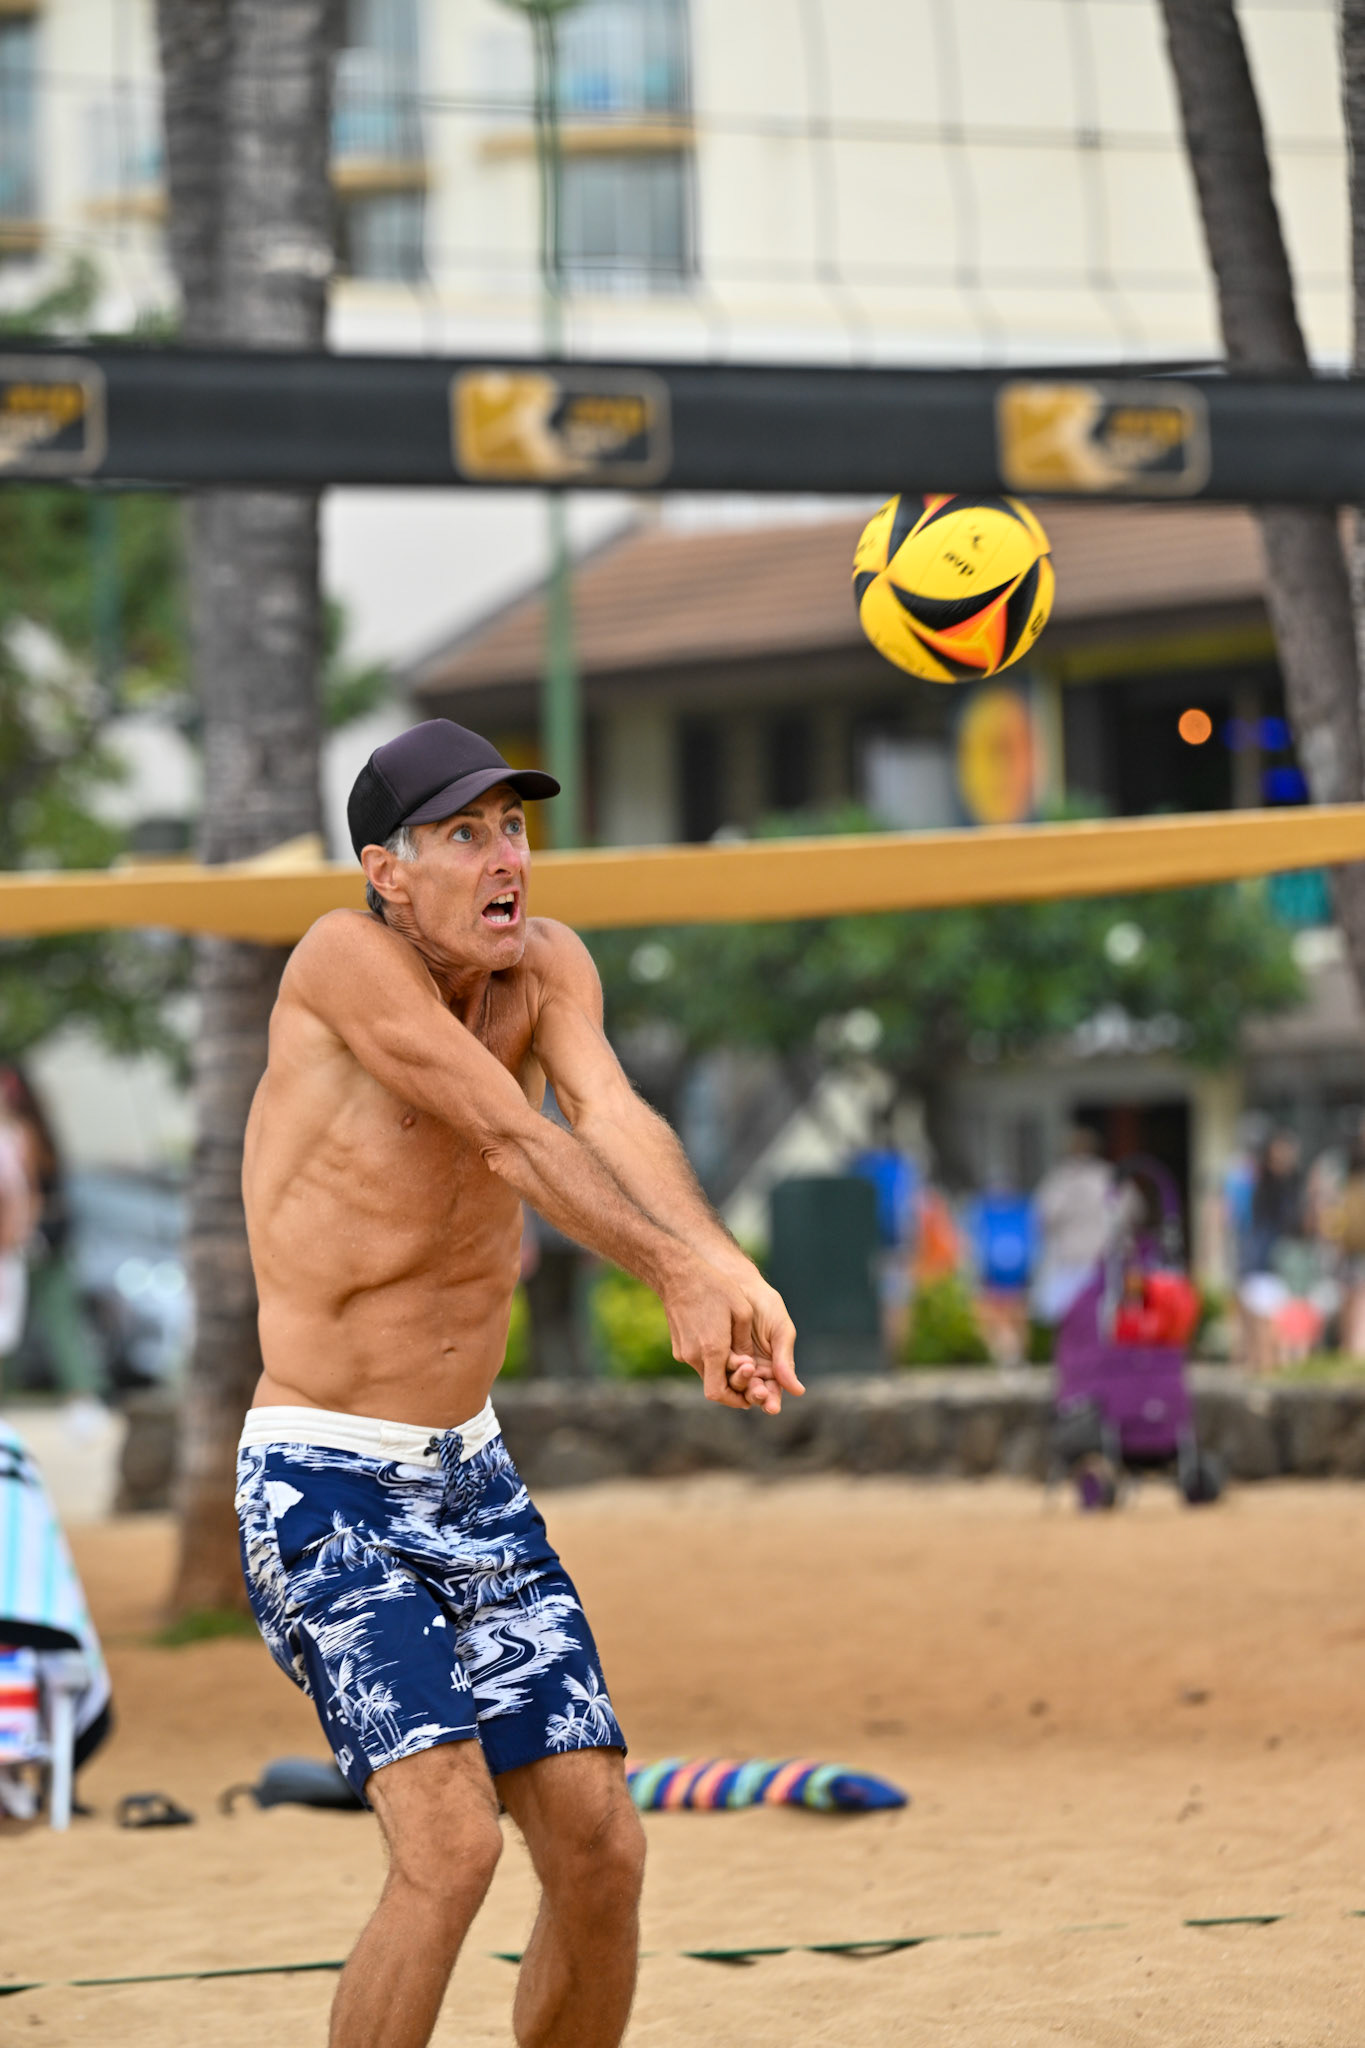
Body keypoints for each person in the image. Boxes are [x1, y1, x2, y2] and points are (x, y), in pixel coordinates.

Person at [235, 719, 802, 2048]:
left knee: (601, 1850)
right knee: (448, 1853)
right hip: (323, 1482)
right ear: (387, 870)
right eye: (463, 835)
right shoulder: (341, 964)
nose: (507, 862)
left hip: (471, 1482)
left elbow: (609, 1116)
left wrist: (723, 1267)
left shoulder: (546, 968)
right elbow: (505, 1132)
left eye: (515, 830)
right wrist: (669, 1278)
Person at [1029, 1123, 1137, 1329]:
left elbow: (1041, 1218)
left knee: (1072, 1318)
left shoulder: (1058, 1180)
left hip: (1072, 1259)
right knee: (1104, 1318)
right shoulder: (1109, 1175)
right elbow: (1134, 1211)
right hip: (1105, 1259)